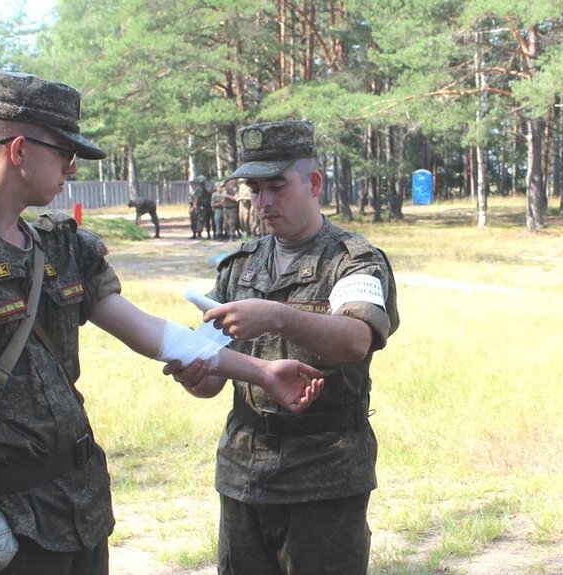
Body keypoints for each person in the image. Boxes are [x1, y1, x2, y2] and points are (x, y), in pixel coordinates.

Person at [0, 70, 324, 575]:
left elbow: (150, 333)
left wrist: (259, 372)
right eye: (64, 152)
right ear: (18, 150)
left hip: (78, 513)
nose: (71, 167)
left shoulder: (63, 248)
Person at [169, 120, 399, 575]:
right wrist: (196, 374)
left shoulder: (352, 260)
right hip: (243, 471)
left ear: (313, 183)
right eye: (254, 188)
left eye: (277, 185)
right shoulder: (241, 265)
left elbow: (357, 339)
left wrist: (275, 315)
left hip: (325, 474)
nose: (263, 201)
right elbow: (213, 381)